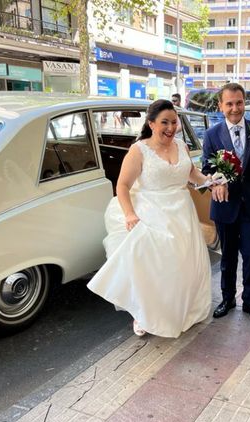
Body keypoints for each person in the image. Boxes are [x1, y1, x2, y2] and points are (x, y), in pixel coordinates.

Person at [87, 100, 218, 337]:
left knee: (184, 266)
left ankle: (184, 310)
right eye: (164, 122)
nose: (170, 128)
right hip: (151, 211)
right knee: (154, 268)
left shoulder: (182, 145)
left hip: (182, 214)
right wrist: (129, 214)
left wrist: (211, 181)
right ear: (151, 124)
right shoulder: (139, 150)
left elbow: (192, 174)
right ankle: (144, 312)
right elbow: (123, 185)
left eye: (174, 122)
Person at [202, 83, 250, 324]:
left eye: (239, 103)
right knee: (227, 258)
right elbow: (207, 167)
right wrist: (217, 182)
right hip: (225, 205)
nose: (235, 108)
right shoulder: (212, 134)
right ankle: (227, 299)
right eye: (229, 104)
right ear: (221, 106)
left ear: (244, 103)